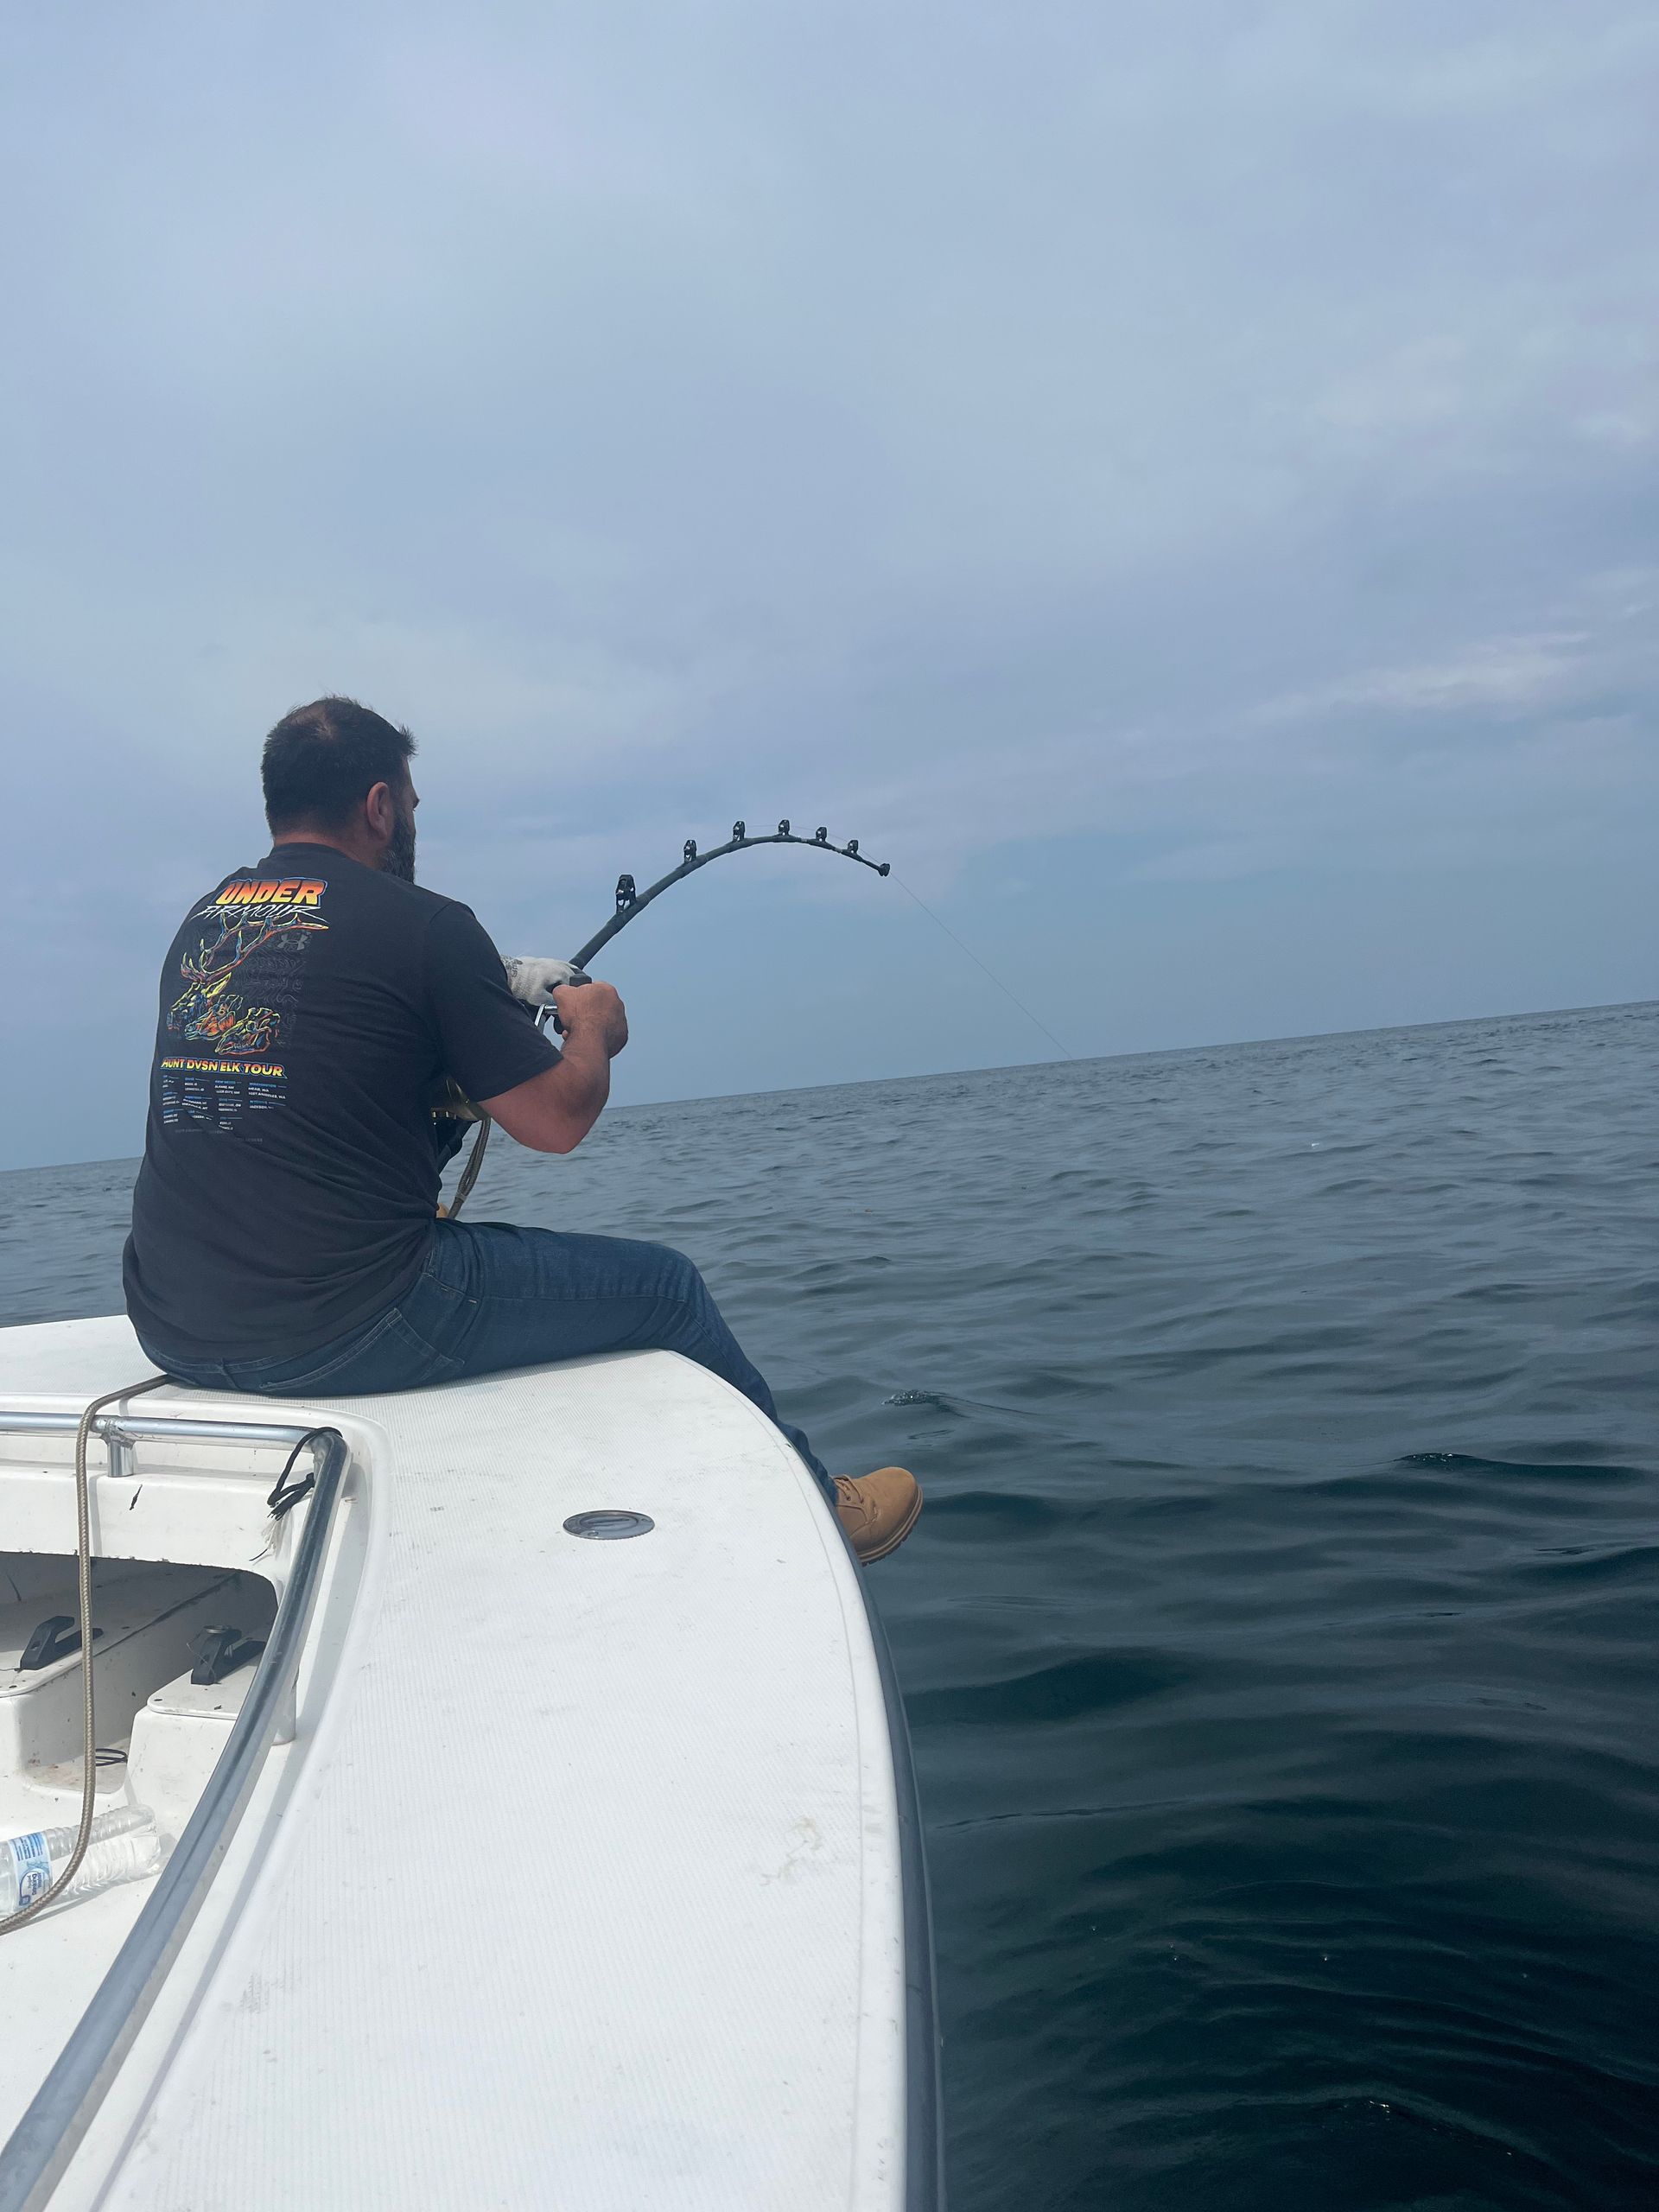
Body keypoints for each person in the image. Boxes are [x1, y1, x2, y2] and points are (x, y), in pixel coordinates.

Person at [123, 697, 922, 1564]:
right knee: (668, 1288)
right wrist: (592, 1025)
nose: (413, 825)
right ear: (381, 803)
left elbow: (306, 1079)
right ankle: (816, 1510)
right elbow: (556, 1117)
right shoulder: (425, 925)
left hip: (172, 1321)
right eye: (414, 806)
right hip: (341, 1322)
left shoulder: (206, 924)